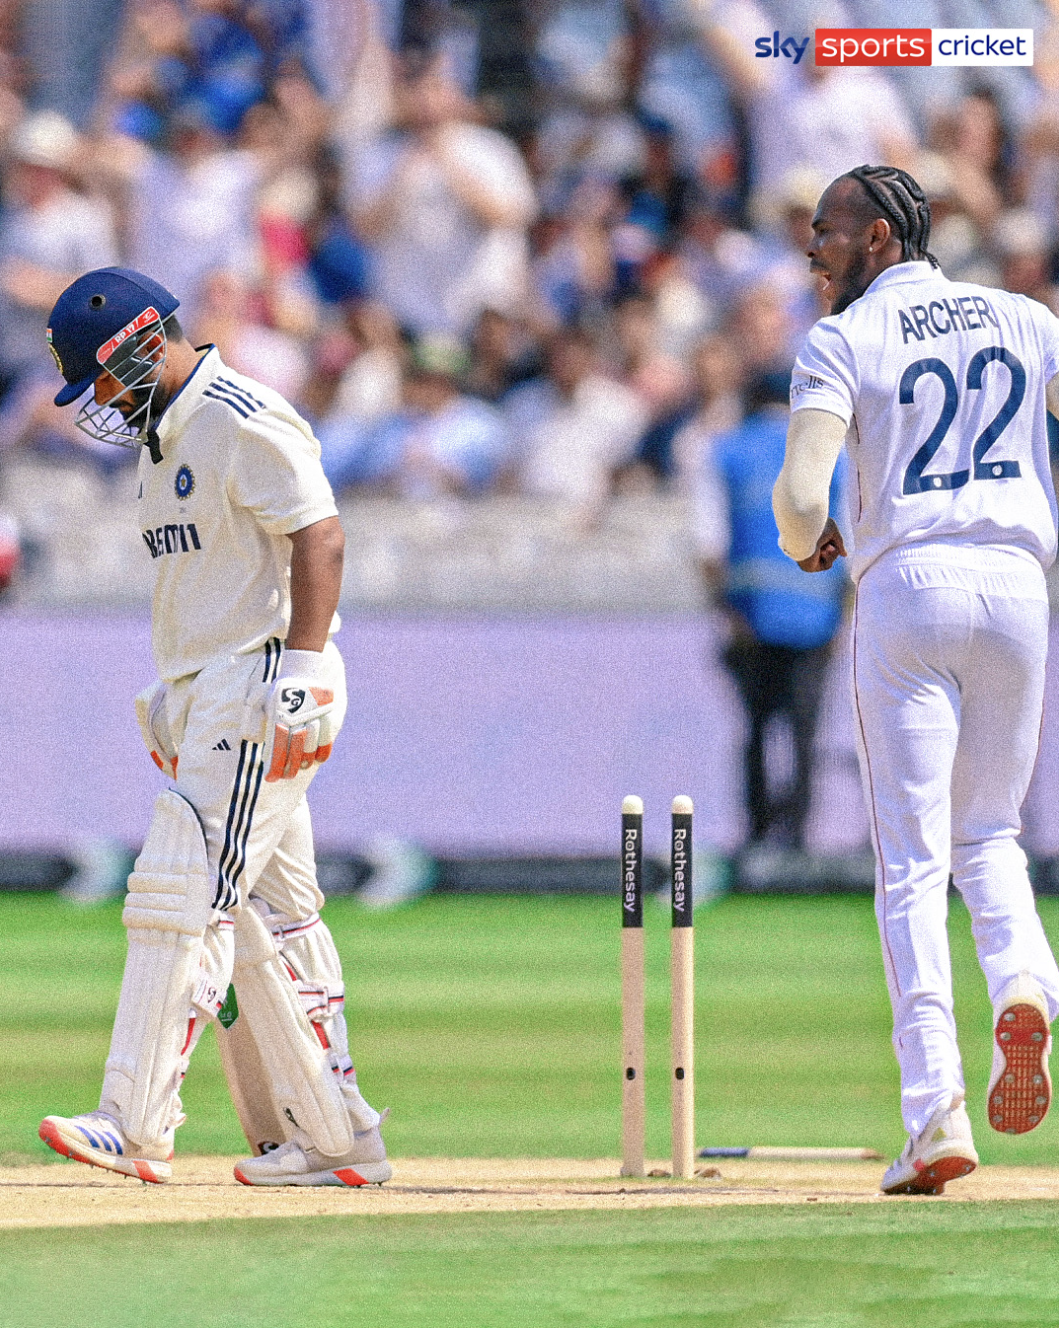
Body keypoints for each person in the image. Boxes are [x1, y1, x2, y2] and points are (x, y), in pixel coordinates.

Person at [38, 266, 391, 1187]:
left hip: (265, 677)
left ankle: (135, 1119)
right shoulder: (161, 440)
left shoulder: (237, 412)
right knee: (277, 913)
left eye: (104, 379)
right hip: (214, 687)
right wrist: (173, 692)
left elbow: (320, 534)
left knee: (179, 891)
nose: (102, 403)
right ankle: (335, 1133)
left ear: (141, 344)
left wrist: (306, 670)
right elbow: (199, 581)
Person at [773, 165, 1059, 1197]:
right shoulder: (1028, 317)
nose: (813, 252)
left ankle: (934, 1109)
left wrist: (809, 541)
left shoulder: (843, 340)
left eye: (827, 234)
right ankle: (1026, 982)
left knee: (910, 862)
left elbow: (803, 499)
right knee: (993, 833)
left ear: (883, 239)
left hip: (908, 583)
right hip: (1020, 587)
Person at [697, 370, 846, 866]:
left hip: (751, 616)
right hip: (816, 615)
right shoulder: (833, 456)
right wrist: (843, 615)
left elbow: (709, 543)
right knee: (805, 733)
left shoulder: (725, 451)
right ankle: (798, 843)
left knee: (757, 729)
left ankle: (758, 835)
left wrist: (725, 608)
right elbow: (851, 536)